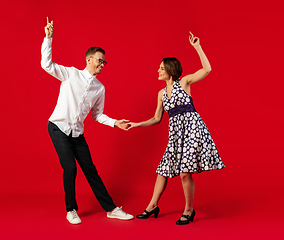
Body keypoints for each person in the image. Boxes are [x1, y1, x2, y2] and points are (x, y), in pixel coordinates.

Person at [41, 17, 133, 224]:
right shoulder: (71, 74)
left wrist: (115, 122)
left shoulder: (100, 88)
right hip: (57, 127)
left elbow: (97, 115)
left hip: (77, 134)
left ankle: (111, 209)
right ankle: (71, 209)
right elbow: (46, 64)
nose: (102, 64)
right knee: (71, 168)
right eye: (100, 60)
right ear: (89, 60)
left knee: (91, 170)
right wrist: (49, 38)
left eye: (104, 61)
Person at [126, 32, 225, 225]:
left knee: (184, 172)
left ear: (171, 70)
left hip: (192, 130)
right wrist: (137, 124)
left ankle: (189, 210)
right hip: (176, 135)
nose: (158, 70)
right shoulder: (161, 93)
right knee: (163, 170)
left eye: (161, 68)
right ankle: (152, 205)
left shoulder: (185, 82)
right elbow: (156, 119)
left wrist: (197, 47)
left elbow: (207, 69)